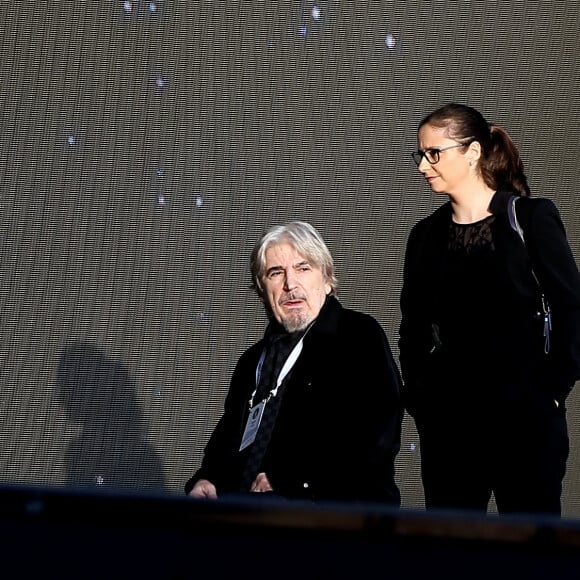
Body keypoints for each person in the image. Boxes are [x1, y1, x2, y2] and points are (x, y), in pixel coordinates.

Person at [399, 102, 580, 516]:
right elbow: (413, 327)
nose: (424, 166)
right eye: (421, 154)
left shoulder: (529, 218)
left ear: (473, 152)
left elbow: (572, 307)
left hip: (526, 422)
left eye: (434, 153)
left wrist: (552, 391)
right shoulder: (425, 236)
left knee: (531, 554)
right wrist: (423, 401)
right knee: (452, 554)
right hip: (451, 427)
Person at [185, 220, 403, 505]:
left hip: (333, 524)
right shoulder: (253, 361)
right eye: (276, 273)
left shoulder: (357, 335)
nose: (290, 285)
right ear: (261, 290)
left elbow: (375, 438)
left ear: (327, 279)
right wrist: (207, 479)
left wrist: (290, 483)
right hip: (244, 521)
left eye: (303, 268)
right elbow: (226, 442)